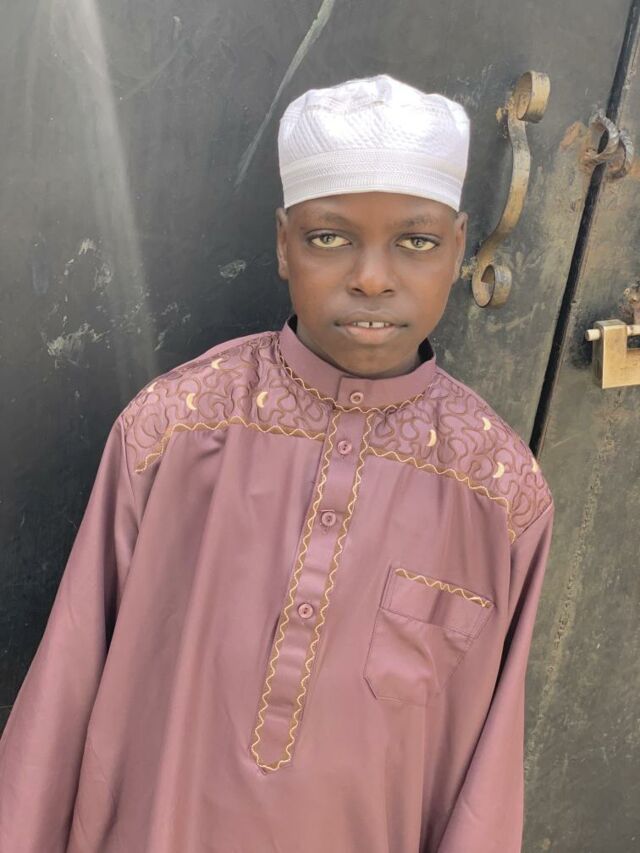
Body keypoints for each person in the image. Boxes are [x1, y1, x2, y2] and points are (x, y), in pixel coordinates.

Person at [0, 74, 554, 852]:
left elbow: (486, 786)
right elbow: (62, 697)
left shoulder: (498, 492)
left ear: (459, 248)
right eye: (329, 237)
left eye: (416, 241)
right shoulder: (175, 428)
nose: (372, 275)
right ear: (283, 243)